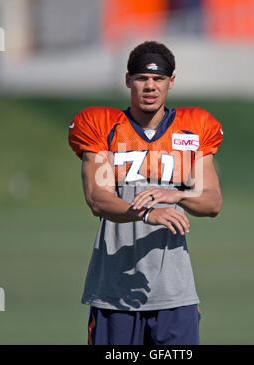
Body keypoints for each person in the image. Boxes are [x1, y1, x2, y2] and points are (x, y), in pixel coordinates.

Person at [68, 40, 223, 345]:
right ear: (128, 80)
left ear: (171, 82)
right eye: (141, 78)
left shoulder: (192, 129)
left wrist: (177, 196)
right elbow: (97, 199)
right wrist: (147, 212)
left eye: (158, 79)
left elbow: (212, 202)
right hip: (114, 294)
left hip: (175, 294)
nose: (150, 86)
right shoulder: (102, 126)